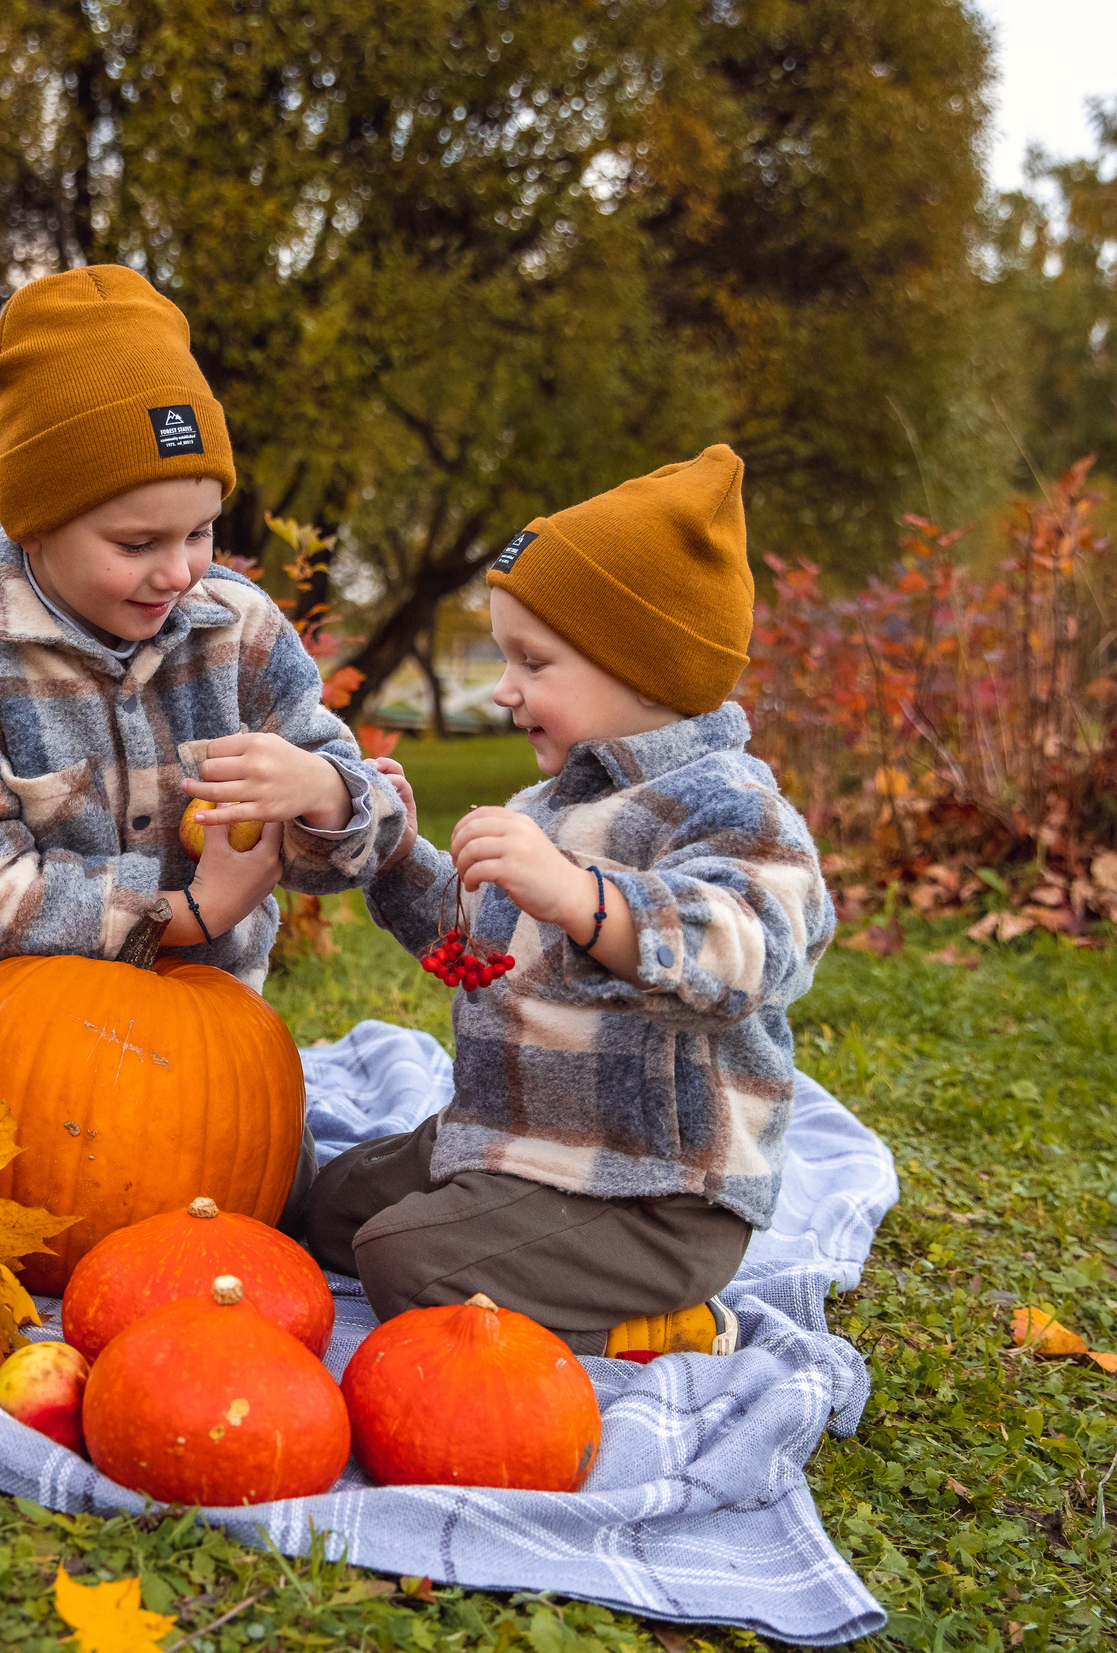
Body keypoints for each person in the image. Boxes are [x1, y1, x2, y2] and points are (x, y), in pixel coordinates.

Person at [0, 265, 406, 1206]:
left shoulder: (240, 633)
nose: (178, 571)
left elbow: (361, 842)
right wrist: (187, 912)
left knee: (288, 1229)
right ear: (36, 522)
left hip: (206, 1073)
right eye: (136, 543)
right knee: (0, 1249)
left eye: (200, 530)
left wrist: (320, 796)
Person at [307, 446, 835, 1359]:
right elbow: (474, 947)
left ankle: (655, 1321)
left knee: (402, 1262)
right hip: (520, 1138)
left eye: (533, 660)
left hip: (653, 1194)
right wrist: (392, 851)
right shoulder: (551, 808)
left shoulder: (735, 807)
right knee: (327, 1206)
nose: (505, 687)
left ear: (643, 664)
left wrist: (582, 895)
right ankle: (479, 1215)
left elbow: (753, 951)